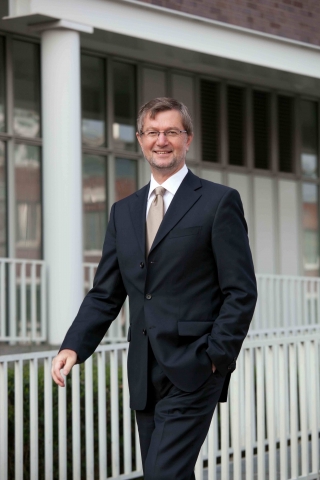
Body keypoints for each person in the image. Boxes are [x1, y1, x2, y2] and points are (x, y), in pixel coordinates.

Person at [52, 97, 257, 479]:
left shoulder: (218, 202)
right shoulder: (124, 211)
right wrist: (74, 345)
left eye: (171, 132)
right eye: (152, 132)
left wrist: (215, 356)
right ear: (140, 139)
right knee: (168, 473)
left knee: (162, 474)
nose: (161, 140)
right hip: (145, 371)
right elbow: (106, 292)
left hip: (196, 367)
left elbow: (241, 291)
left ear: (188, 139)